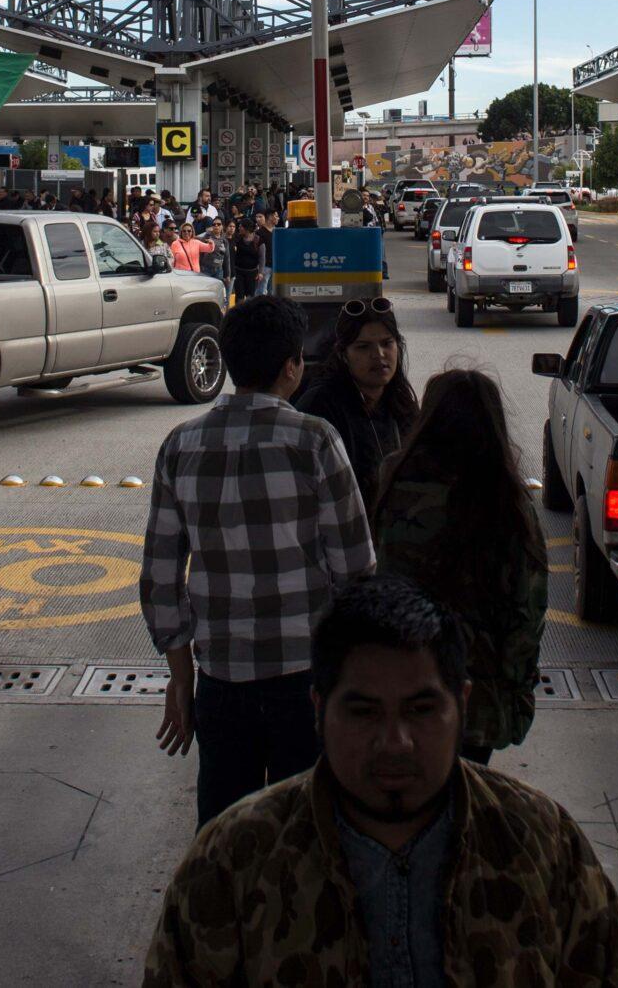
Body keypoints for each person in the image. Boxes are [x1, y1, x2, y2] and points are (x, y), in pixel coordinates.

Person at [140, 575, 618, 987]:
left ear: (461, 706)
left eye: (421, 710)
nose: (395, 741)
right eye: (364, 712)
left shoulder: (544, 847)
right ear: (319, 711)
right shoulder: (233, 863)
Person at [141, 295, 375, 826]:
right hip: (306, 683)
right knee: (311, 834)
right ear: (293, 367)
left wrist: (182, 680)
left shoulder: (181, 445)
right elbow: (356, 573)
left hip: (221, 684)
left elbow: (160, 578)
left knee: (227, 844)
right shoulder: (315, 440)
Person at [373, 371, 547, 763]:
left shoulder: (394, 478)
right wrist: (517, 686)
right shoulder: (507, 500)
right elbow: (527, 609)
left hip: (403, 681)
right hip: (477, 697)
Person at [296, 299, 420, 501]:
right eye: (363, 347)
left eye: (387, 343)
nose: (379, 355)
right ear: (343, 355)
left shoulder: (401, 400)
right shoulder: (320, 407)